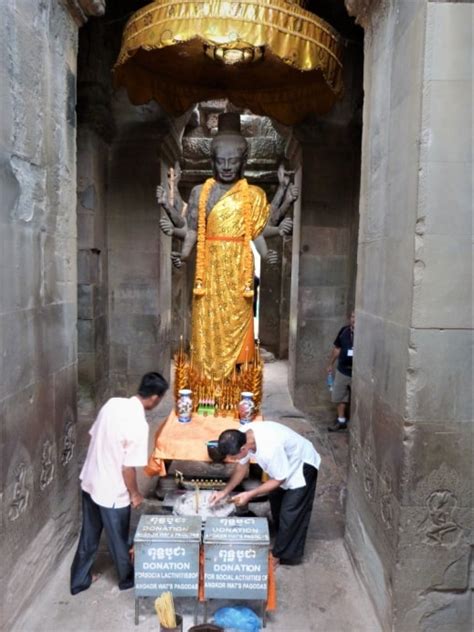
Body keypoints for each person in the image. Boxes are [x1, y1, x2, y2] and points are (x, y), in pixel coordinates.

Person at [157, 112, 298, 381]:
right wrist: (183, 254)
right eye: (220, 161)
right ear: (212, 161)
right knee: (207, 323)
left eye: (233, 161)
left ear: (244, 161)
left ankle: (235, 379)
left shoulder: (253, 194)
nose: (226, 167)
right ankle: (206, 379)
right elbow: (193, 230)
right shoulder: (201, 192)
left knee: (237, 322)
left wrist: (282, 208)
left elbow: (258, 228)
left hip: (238, 271)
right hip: (208, 272)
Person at [70, 372, 169, 595]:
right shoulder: (139, 424)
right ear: (154, 398)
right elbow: (127, 469)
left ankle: (79, 581)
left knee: (89, 535)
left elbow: (93, 434)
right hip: (112, 492)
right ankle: (126, 579)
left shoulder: (112, 403)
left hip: (90, 480)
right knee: (118, 539)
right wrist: (134, 494)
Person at [209, 421, 320, 567]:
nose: (233, 460)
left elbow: (280, 479)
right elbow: (241, 468)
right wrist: (224, 492)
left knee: (291, 512)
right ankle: (282, 535)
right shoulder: (242, 435)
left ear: (243, 448)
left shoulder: (270, 447)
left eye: (233, 457)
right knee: (276, 501)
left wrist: (250, 494)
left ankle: (280, 555)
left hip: (301, 464)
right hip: (282, 465)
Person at [327, 311, 355, 432]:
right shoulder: (344, 331)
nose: (354, 319)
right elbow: (337, 349)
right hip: (343, 370)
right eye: (353, 316)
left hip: (357, 373)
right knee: (339, 396)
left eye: (357, 317)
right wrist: (330, 364)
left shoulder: (365, 333)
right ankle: (341, 420)